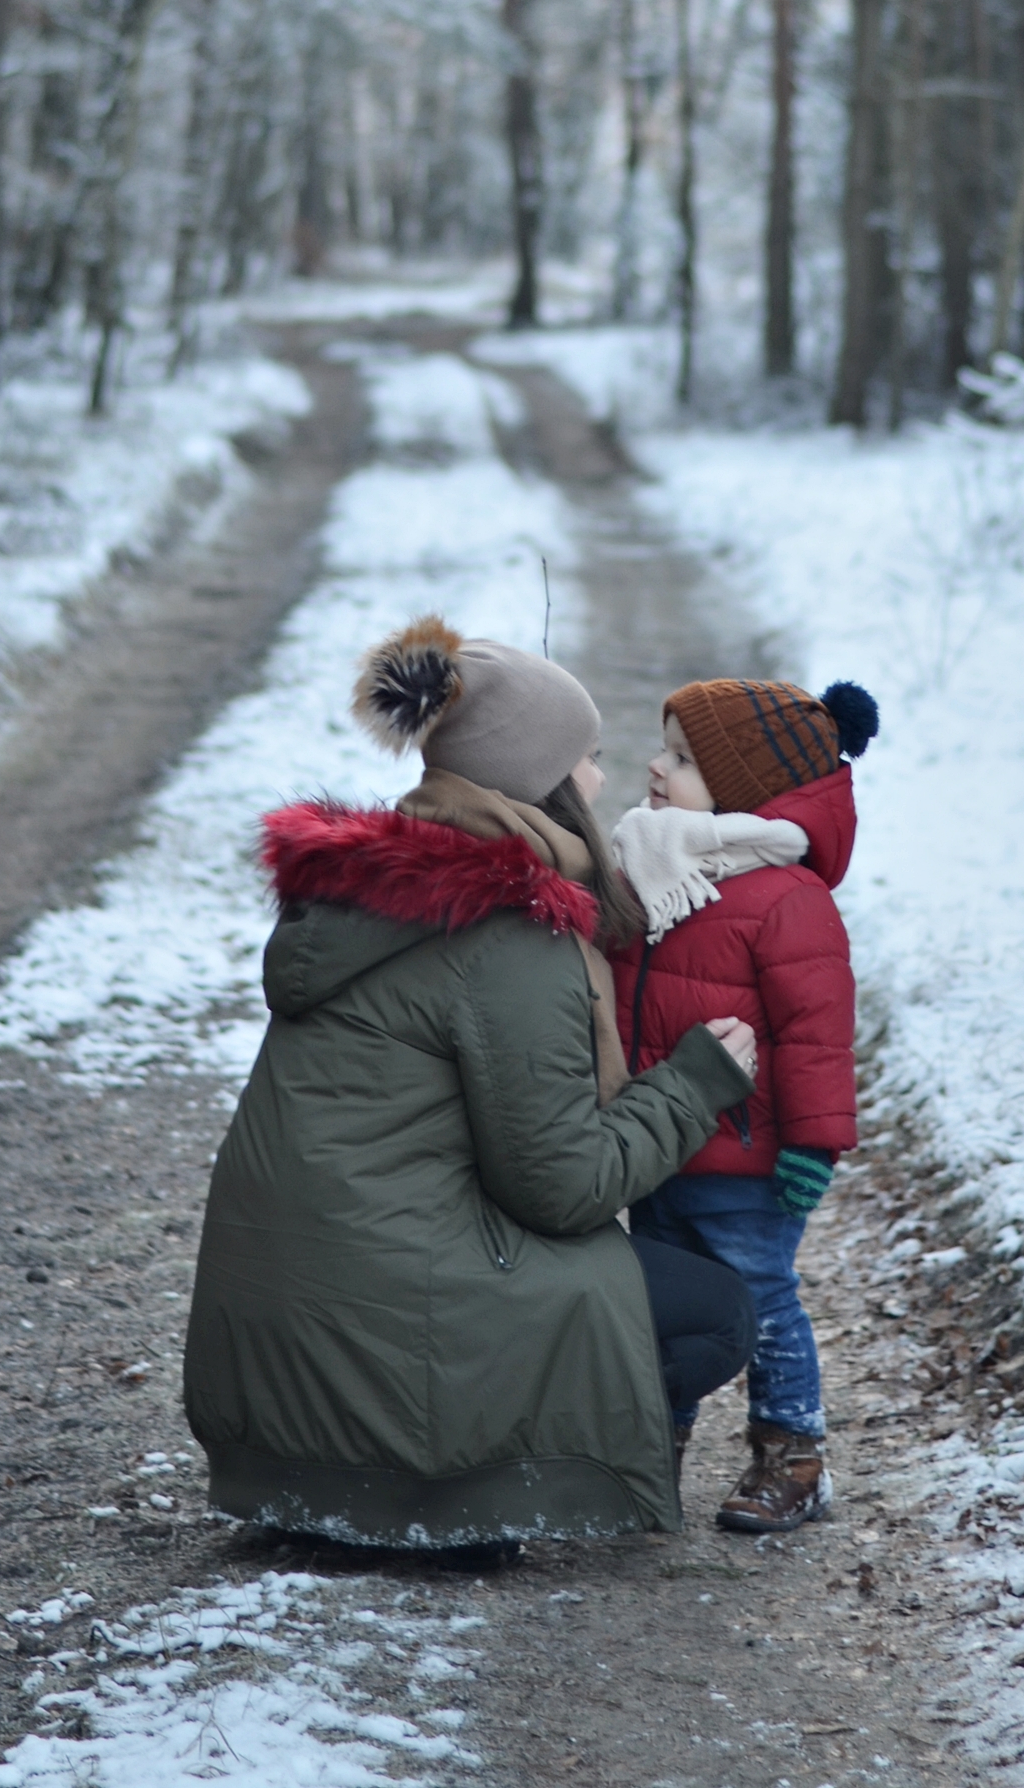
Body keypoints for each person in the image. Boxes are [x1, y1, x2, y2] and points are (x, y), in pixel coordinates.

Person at [184, 616, 761, 1555]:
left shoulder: (365, 889)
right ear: (536, 779)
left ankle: (357, 1477)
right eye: (588, 759)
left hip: (268, 1386)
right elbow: (560, 1186)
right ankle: (478, 1484)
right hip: (389, 1356)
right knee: (714, 1311)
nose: (604, 781)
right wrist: (695, 1082)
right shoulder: (506, 926)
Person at [610, 673, 877, 1534]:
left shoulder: (786, 896)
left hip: (746, 1157)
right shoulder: (657, 867)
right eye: (664, 749)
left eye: (682, 759)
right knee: (653, 1305)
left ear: (743, 785)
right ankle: (650, 1455)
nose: (656, 767)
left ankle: (791, 1456)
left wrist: (813, 1143)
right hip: (656, 1146)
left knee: (761, 1297)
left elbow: (815, 1032)